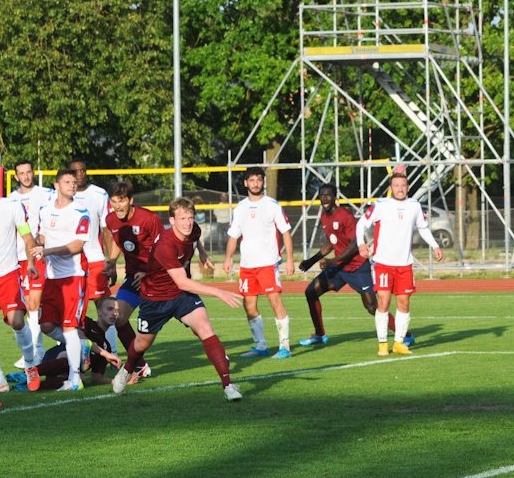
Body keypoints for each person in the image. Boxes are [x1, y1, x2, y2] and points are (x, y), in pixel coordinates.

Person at [112, 197, 243, 400]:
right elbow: (182, 281)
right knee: (141, 344)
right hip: (155, 298)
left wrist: (202, 252)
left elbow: (195, 239)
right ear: (172, 221)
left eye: (190, 217)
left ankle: (228, 385)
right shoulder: (166, 245)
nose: (188, 222)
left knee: (204, 327)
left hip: (181, 296)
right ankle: (127, 368)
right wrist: (219, 292)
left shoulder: (193, 229)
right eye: (182, 218)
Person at [297, 183, 413, 348]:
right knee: (311, 291)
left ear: (335, 197)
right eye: (322, 195)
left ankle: (405, 334)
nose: (325, 198)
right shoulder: (324, 216)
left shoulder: (345, 216)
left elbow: (354, 245)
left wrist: (332, 261)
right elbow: (331, 243)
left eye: (328, 195)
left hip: (357, 267)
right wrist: (311, 260)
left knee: (372, 306)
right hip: (339, 267)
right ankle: (319, 334)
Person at [354, 164, 443, 356]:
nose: (400, 188)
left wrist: (435, 245)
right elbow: (361, 223)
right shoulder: (381, 205)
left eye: (403, 185)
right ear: (391, 188)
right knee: (384, 301)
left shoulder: (414, 206)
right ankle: (382, 343)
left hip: (405, 265)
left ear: (408, 187)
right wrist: (361, 244)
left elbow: (423, 228)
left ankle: (399, 343)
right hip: (383, 264)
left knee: (403, 303)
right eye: (396, 185)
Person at [0, 166, 42, 393]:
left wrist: (31, 262)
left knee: (17, 321)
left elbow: (27, 236)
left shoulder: (12, 206)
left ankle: (31, 366)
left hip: (9, 276)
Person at [222, 167, 295, 359]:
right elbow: (233, 236)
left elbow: (285, 232)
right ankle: (260, 345)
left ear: (263, 182)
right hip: (247, 266)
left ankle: (285, 347)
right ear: (245, 183)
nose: (255, 183)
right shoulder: (240, 208)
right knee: (249, 305)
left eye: (259, 180)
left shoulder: (272, 205)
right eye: (251, 180)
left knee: (274, 300)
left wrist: (289, 259)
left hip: (268, 263)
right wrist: (228, 257)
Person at [30, 169, 91, 392]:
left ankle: (75, 380)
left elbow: (77, 245)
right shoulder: (45, 210)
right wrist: (35, 242)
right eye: (67, 182)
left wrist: (47, 252)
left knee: (68, 327)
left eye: (74, 182)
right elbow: (43, 236)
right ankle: (82, 347)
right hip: (52, 277)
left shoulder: (80, 211)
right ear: (56, 185)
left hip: (73, 276)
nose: (72, 185)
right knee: (45, 324)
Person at [103, 180, 162, 378]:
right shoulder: (111, 220)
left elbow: (164, 249)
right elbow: (116, 241)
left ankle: (218, 351)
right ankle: (139, 365)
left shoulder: (149, 218)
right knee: (118, 318)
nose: (117, 206)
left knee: (191, 318)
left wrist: (149, 272)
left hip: (157, 278)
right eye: (113, 202)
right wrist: (111, 262)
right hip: (134, 279)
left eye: (121, 201)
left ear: (131, 200)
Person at [12, 295, 125, 390]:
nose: (114, 314)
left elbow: (96, 378)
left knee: (80, 379)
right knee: (71, 356)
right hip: (56, 359)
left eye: (117, 311)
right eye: (110, 309)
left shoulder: (106, 346)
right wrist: (101, 353)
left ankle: (29, 386)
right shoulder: (86, 322)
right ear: (99, 311)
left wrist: (118, 381)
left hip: (69, 371)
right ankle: (25, 374)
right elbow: (80, 337)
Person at [9, 160, 53, 366]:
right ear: (16, 176)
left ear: (33, 173)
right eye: (21, 173)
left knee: (35, 304)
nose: (26, 176)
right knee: (28, 305)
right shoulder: (10, 199)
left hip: (38, 256)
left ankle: (37, 351)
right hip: (17, 257)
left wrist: (43, 243)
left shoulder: (46, 194)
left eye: (28, 172)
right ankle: (38, 349)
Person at [69, 158, 113, 304]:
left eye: (83, 170)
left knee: (104, 306)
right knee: (72, 306)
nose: (80, 174)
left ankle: (109, 329)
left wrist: (110, 260)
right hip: (70, 262)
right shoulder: (61, 196)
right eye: (75, 171)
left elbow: (106, 229)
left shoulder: (99, 194)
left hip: (95, 259)